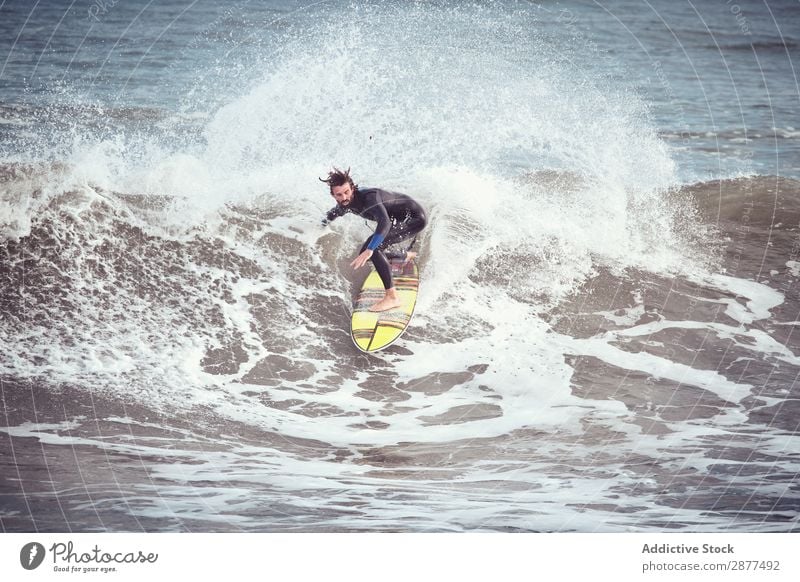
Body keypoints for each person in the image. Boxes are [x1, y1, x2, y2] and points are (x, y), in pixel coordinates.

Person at [320, 167, 427, 312]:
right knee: (365, 253)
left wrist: (371, 249)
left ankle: (392, 297)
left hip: (414, 218)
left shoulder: (370, 198)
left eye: (346, 192)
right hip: (399, 218)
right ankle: (404, 256)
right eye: (339, 195)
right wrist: (317, 228)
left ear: (352, 188)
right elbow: (332, 214)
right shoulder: (346, 204)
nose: (344, 197)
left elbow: (385, 222)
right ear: (333, 195)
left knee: (373, 249)